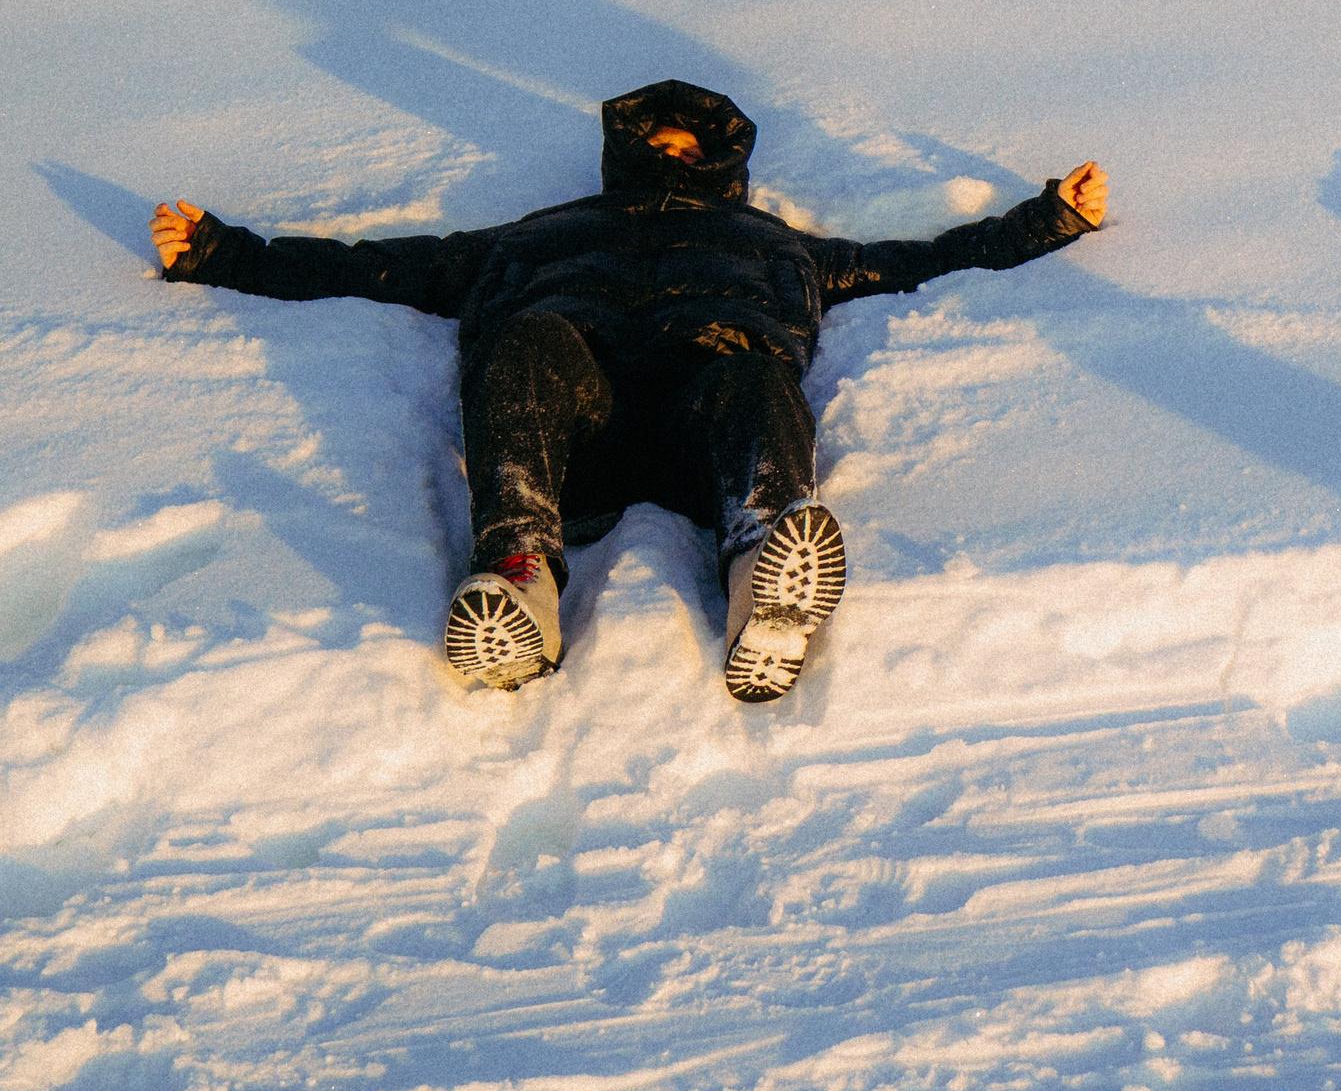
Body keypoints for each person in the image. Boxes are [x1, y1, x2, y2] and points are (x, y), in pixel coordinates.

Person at [153, 80, 1106, 702]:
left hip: (710, 427)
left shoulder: (779, 246)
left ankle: (759, 571)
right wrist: (223, 255)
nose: (675, 155)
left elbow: (923, 261)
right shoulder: (532, 237)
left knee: (750, 371)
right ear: (627, 148)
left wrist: (1047, 222)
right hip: (576, 430)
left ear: (726, 159)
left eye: (693, 146)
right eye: (661, 141)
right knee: (526, 340)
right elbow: (377, 269)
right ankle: (522, 581)